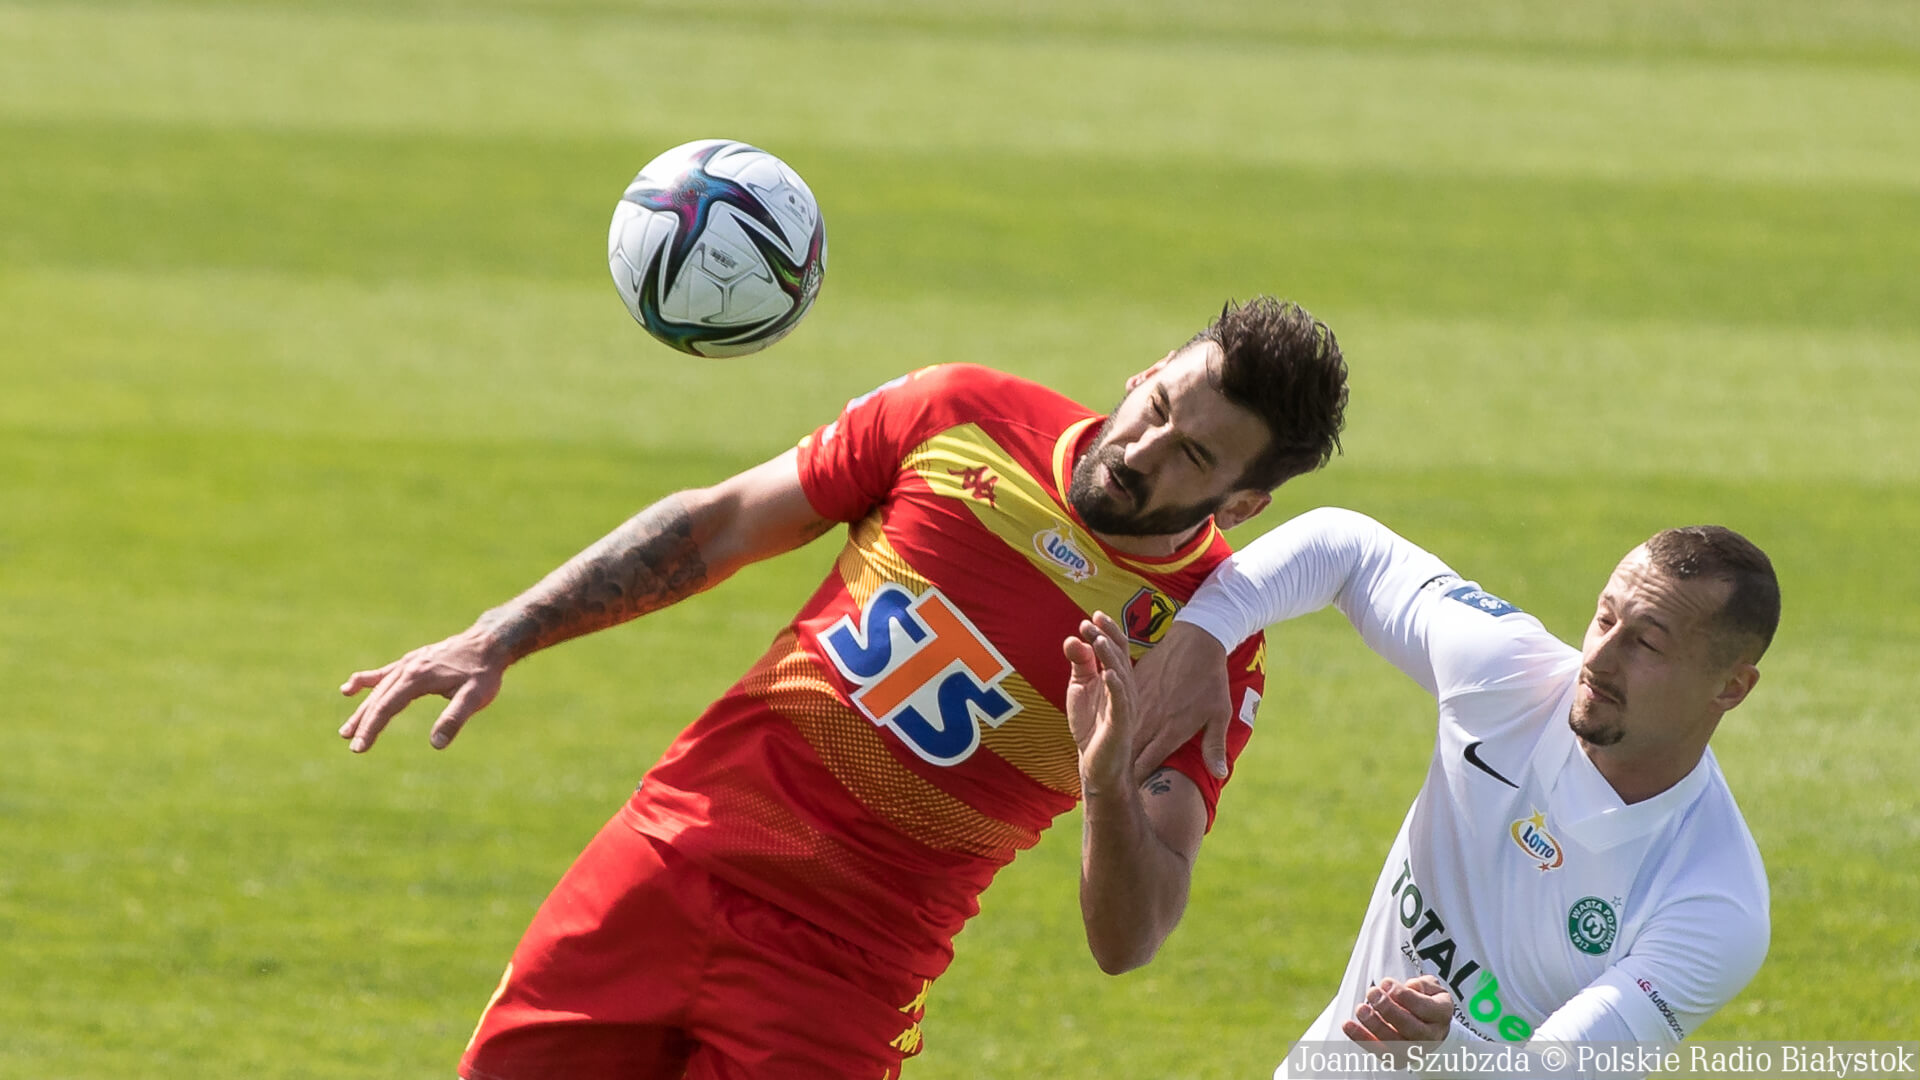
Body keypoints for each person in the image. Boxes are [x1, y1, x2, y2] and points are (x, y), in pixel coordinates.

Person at [336, 297, 1350, 1079]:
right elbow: (722, 523)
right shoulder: (960, 416)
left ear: (1244, 503)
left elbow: (1129, 939)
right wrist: (500, 634)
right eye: (1158, 407)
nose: (1140, 450)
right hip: (663, 867)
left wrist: (1105, 780)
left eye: (1192, 457)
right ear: (1145, 372)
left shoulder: (1208, 644)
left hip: (844, 976)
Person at [1127, 508, 1777, 1078]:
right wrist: (1204, 633)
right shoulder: (1505, 676)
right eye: (1604, 617)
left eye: (1647, 644)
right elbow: (1345, 548)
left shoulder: (1714, 901)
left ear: (1731, 688)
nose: (1600, 659)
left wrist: (1442, 1047)